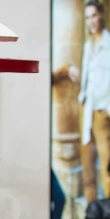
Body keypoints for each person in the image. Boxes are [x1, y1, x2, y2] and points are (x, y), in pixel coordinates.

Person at [76, 1, 110, 203]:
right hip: (86, 111)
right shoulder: (88, 46)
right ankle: (92, 218)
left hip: (102, 112)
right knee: (87, 170)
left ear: (101, 16)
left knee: (106, 168)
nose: (91, 21)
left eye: (94, 16)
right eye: (87, 17)